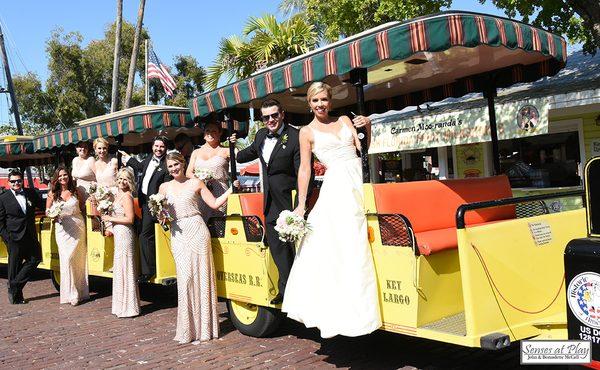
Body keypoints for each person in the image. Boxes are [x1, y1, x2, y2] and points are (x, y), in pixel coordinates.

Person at [236, 98, 372, 304]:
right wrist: (230, 146)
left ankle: (301, 293)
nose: (271, 120)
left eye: (274, 115)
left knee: (299, 247)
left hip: (291, 197)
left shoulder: (295, 135)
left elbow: (304, 169)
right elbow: (244, 155)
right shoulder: (262, 135)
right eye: (266, 117)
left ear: (282, 114)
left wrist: (301, 202)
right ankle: (285, 290)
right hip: (270, 201)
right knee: (278, 248)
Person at [282, 82, 381, 338]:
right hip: (337, 187)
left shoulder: (346, 119)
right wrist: (302, 204)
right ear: (309, 104)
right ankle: (347, 309)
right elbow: (305, 169)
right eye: (315, 101)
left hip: (360, 176)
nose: (320, 105)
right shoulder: (306, 132)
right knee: (349, 240)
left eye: (324, 99)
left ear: (330, 100)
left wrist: (367, 127)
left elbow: (364, 149)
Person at [158, 151, 232, 344]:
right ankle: (187, 329)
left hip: (197, 230)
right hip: (178, 233)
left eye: (176, 164)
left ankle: (205, 328)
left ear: (183, 164)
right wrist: (160, 215)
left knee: (201, 276)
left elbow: (214, 204)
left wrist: (231, 190)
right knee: (185, 278)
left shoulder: (196, 183)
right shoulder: (164, 188)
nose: (174, 169)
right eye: (170, 167)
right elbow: (162, 217)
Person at [119, 136, 169, 282]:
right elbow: (140, 167)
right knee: (144, 234)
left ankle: (151, 270)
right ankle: (146, 268)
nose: (158, 149)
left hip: (155, 205)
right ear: (152, 147)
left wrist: (158, 201)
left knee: (148, 235)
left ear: (165, 148)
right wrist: (129, 160)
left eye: (161, 147)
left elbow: (165, 185)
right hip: (144, 203)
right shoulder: (149, 159)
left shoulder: (166, 165)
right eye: (156, 146)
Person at [101, 168, 141, 318]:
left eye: (125, 179)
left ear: (129, 181)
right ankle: (121, 305)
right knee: (120, 267)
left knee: (126, 266)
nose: (122, 182)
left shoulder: (127, 197)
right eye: (119, 179)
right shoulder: (117, 196)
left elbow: (130, 219)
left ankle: (129, 306)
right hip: (118, 233)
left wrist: (110, 219)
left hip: (125, 233)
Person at [47, 166, 89, 306]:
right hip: (62, 230)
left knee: (77, 259)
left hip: (77, 227)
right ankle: (70, 294)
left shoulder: (76, 191)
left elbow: (82, 207)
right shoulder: (53, 193)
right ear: (56, 179)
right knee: (67, 259)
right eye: (60, 176)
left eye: (65, 175)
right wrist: (53, 216)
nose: (63, 178)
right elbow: (47, 211)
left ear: (69, 176)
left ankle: (80, 292)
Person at [0, 169, 44, 304]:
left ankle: (14, 284)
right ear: (8, 183)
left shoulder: (31, 193)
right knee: (14, 266)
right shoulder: (3, 198)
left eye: (19, 180)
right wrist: (7, 237)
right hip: (13, 236)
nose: (16, 183)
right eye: (13, 181)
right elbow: (0, 221)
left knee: (36, 258)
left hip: (29, 234)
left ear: (22, 181)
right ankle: (16, 297)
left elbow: (42, 205)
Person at [186, 122, 234, 223]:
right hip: (201, 193)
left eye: (214, 131)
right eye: (207, 131)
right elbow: (188, 173)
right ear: (203, 134)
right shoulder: (196, 152)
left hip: (220, 192)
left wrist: (234, 144)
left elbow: (241, 157)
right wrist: (200, 180)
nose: (210, 134)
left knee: (220, 224)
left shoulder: (226, 150)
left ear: (220, 133)